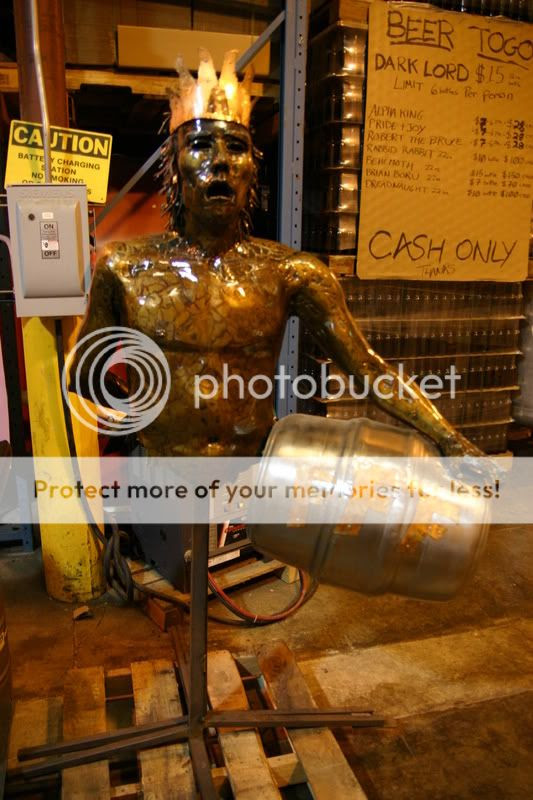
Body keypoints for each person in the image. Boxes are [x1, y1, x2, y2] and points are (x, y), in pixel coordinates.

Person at [71, 49, 480, 460]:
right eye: (200, 145)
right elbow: (84, 373)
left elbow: (369, 370)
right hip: (159, 474)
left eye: (236, 147)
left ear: (252, 169)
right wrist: (139, 420)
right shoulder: (125, 268)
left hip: (251, 475)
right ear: (174, 167)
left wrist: (452, 442)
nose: (220, 162)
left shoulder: (288, 273)